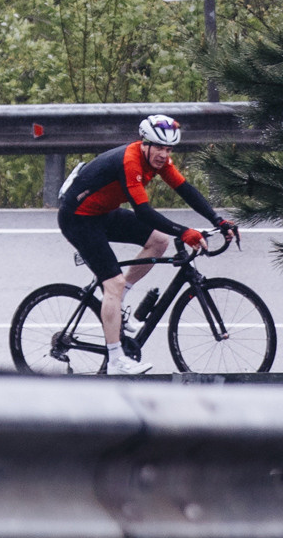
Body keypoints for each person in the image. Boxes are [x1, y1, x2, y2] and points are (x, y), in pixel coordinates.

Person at [57, 114, 238, 369]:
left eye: (168, 149)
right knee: (114, 283)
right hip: (78, 219)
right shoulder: (131, 161)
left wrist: (217, 220)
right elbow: (144, 212)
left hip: (102, 212)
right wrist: (184, 232)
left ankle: (117, 305)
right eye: (159, 148)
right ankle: (116, 360)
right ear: (145, 144)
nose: (163, 155)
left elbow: (186, 190)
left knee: (159, 240)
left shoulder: (158, 162)